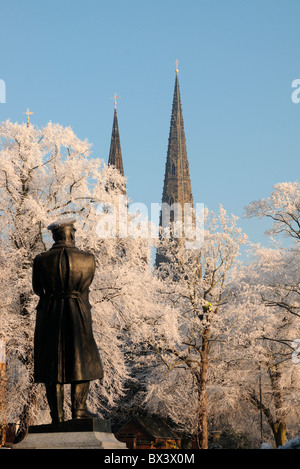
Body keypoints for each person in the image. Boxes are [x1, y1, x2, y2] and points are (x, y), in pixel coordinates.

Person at [32, 218, 103, 423]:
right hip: (77, 310)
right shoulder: (87, 259)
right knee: (82, 360)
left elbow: (38, 289)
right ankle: (79, 410)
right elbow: (85, 288)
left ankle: (57, 416)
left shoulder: (41, 260)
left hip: (50, 313)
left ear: (54, 236)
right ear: (72, 234)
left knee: (52, 363)